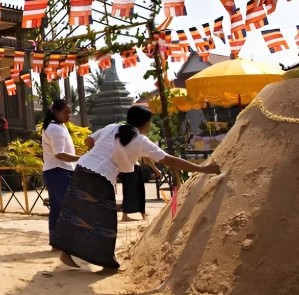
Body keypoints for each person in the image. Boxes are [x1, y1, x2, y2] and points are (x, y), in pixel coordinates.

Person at [52, 105, 219, 272]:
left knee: (76, 211)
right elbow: (170, 160)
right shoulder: (140, 141)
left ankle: (66, 253)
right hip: (100, 176)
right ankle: (106, 264)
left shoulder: (112, 127)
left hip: (82, 168)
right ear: (146, 123)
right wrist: (204, 169)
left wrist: (100, 154)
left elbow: (88, 141)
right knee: (103, 220)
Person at [40, 99, 79, 247]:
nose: (68, 115)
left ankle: (57, 240)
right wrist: (81, 158)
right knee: (63, 206)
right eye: (65, 112)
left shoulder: (58, 126)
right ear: (55, 112)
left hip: (61, 170)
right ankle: (61, 240)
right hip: (58, 171)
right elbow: (59, 154)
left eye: (69, 112)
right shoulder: (55, 129)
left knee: (59, 207)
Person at [120, 157, 160, 221]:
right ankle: (126, 215)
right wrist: (155, 169)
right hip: (131, 167)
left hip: (125, 167)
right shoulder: (135, 147)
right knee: (134, 191)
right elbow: (145, 156)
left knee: (131, 190)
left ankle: (142, 213)